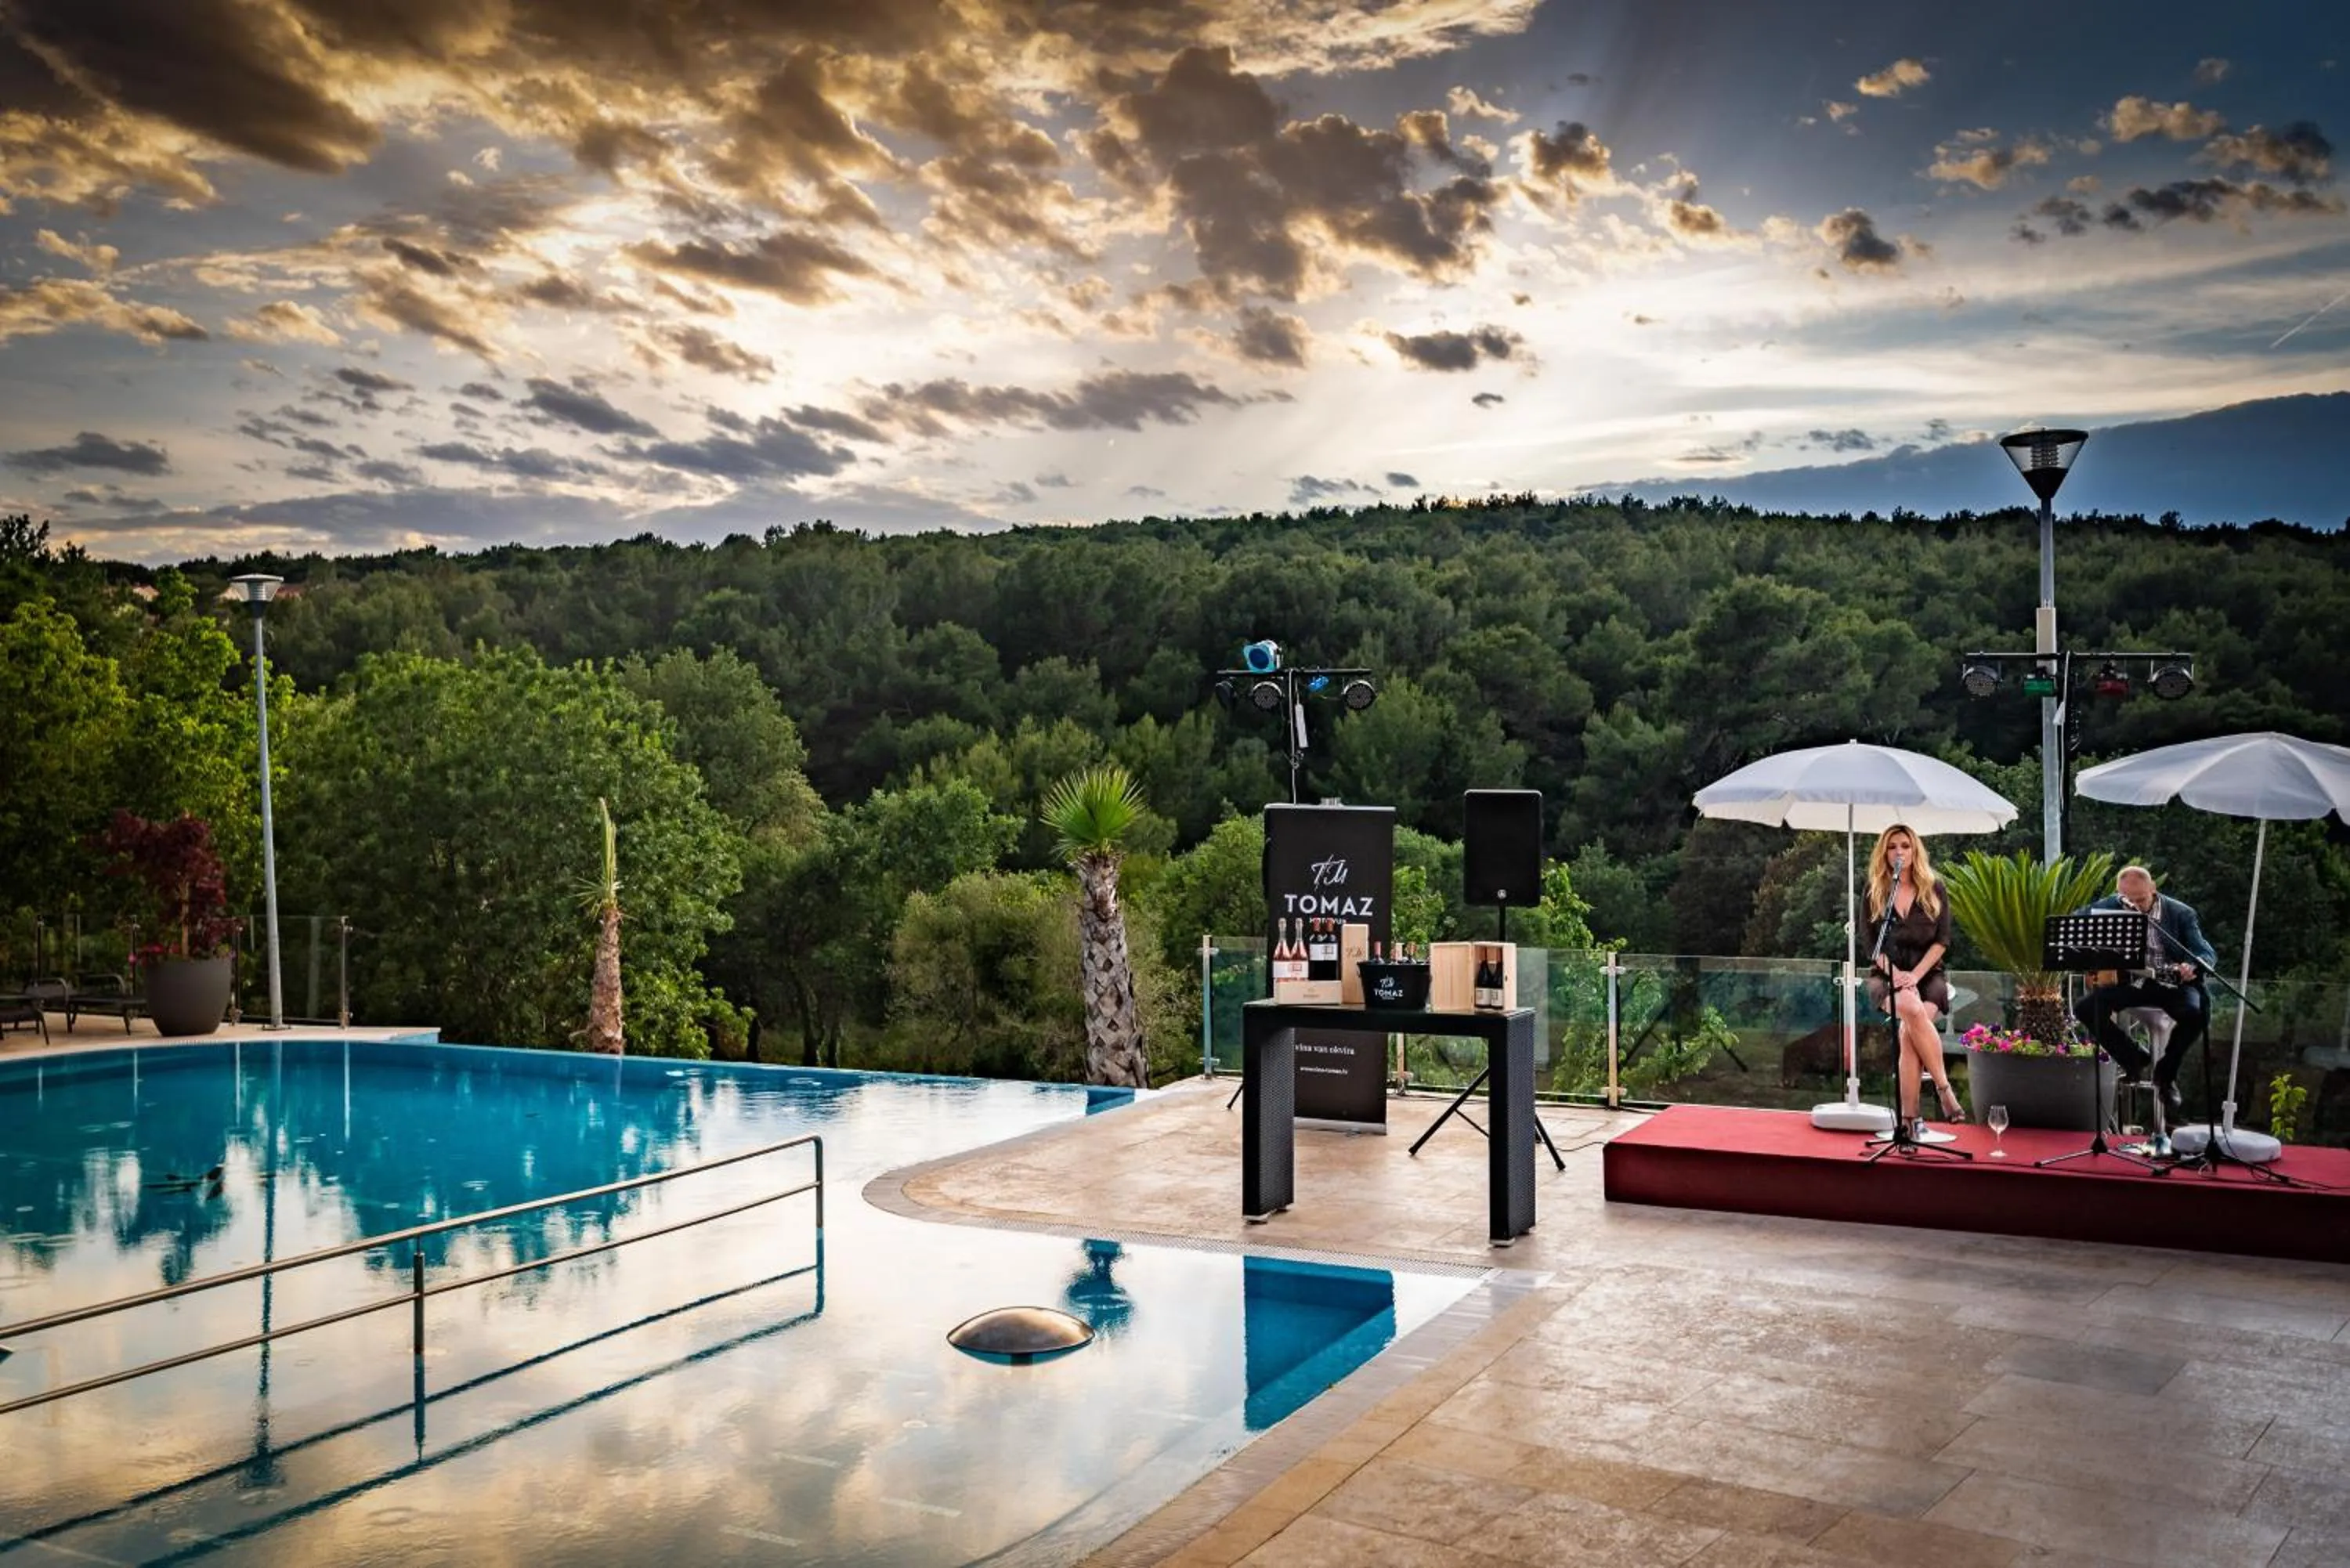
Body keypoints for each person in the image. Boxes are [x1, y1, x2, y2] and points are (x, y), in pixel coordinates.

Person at [2074, 865, 2217, 1112]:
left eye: (2140, 899)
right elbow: (2077, 921)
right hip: (2136, 982)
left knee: (2197, 1014)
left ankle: (2166, 1075)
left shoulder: (2181, 913)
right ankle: (2133, 1057)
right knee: (2086, 1008)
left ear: (2153, 888)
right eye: (2128, 900)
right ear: (2120, 893)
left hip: (2174, 983)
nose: (2135, 906)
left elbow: (2206, 952)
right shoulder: (2114, 904)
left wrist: (2192, 965)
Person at [1863, 822, 1965, 1128]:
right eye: (1892, 847)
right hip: (1886, 973)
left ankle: (1909, 1120)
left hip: (1928, 973)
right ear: (1884, 852)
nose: (1899, 852)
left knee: (1909, 1035)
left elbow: (1942, 940)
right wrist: (1896, 975)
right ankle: (1944, 1089)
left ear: (1915, 850)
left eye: (1905, 846)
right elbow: (1870, 944)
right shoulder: (1875, 889)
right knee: (1909, 1008)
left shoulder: (1934, 887)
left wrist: (1915, 975)